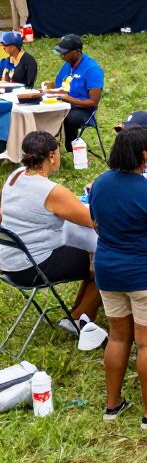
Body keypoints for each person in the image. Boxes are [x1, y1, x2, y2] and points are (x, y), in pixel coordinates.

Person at [90, 127, 147, 430]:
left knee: (117, 337)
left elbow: (97, 226)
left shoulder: (99, 184)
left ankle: (112, 405)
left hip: (109, 271)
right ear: (145, 156)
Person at [0, 131, 100, 332]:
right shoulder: (52, 191)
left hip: (7, 261)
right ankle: (79, 318)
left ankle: (77, 314)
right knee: (107, 262)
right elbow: (93, 221)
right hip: (31, 266)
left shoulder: (15, 176)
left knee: (88, 258)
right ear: (52, 156)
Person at [47, 34, 104, 151]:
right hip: (63, 105)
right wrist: (47, 90)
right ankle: (48, 148)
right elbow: (59, 87)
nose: (61, 55)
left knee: (70, 118)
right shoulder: (67, 65)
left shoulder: (92, 69)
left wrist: (68, 99)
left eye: (64, 52)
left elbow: (93, 102)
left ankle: (70, 149)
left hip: (84, 111)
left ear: (76, 52)